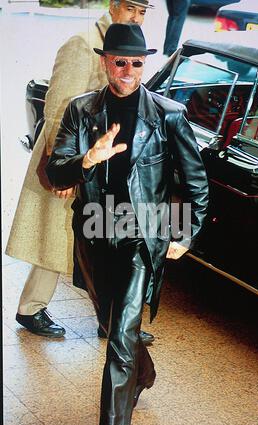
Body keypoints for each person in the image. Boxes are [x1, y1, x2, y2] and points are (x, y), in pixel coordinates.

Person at [46, 23, 208, 425]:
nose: (129, 70)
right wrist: (86, 159)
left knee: (118, 343)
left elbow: (195, 182)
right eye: (121, 61)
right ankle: (146, 373)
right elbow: (55, 172)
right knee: (113, 322)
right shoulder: (80, 110)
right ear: (105, 62)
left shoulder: (169, 114)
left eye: (137, 62)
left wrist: (185, 233)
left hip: (142, 237)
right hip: (95, 232)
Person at [6, 0, 155, 344]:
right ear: (114, 6)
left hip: (100, 158)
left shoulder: (124, 47)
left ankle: (109, 319)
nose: (137, 17)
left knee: (91, 239)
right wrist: (65, 168)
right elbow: (58, 107)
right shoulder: (83, 42)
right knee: (64, 237)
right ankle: (34, 308)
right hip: (73, 158)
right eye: (131, 9)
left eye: (143, 11)